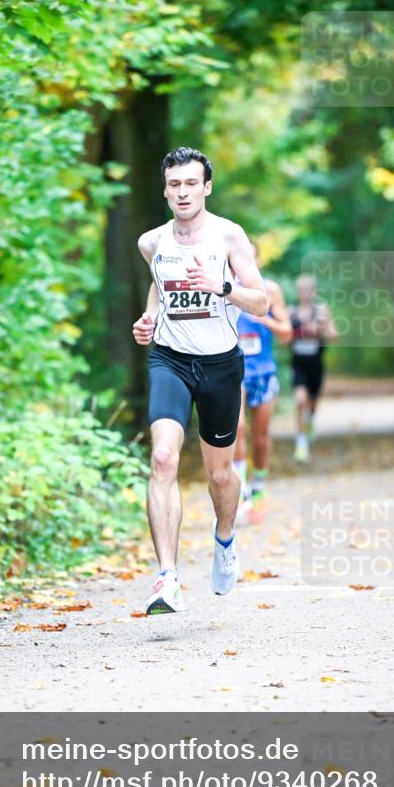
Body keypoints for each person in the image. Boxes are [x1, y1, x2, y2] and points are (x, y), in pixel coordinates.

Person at [132, 146, 268, 615]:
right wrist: (148, 320)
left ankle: (225, 540)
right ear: (165, 190)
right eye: (175, 184)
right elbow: (158, 286)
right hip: (170, 359)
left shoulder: (229, 236)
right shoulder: (152, 242)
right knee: (164, 457)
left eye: (192, 183)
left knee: (218, 474)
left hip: (220, 365)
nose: (183, 192)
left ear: (206, 186)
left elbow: (262, 303)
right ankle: (167, 578)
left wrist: (221, 286)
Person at [234, 245, 292, 522]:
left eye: (250, 258)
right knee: (237, 428)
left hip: (264, 373)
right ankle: (239, 491)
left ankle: (258, 486)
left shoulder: (270, 290)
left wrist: (265, 319)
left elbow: (287, 334)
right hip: (234, 372)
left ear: (257, 260)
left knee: (261, 436)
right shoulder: (223, 289)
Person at [289, 274, 337, 463]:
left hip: (316, 363)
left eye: (309, 290)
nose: (305, 294)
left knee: (313, 404)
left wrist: (320, 330)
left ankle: (309, 423)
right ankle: (301, 447)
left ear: (314, 292)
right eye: (302, 290)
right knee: (300, 401)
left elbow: (334, 335)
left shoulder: (322, 311)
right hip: (298, 363)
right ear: (298, 292)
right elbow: (282, 336)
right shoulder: (290, 311)